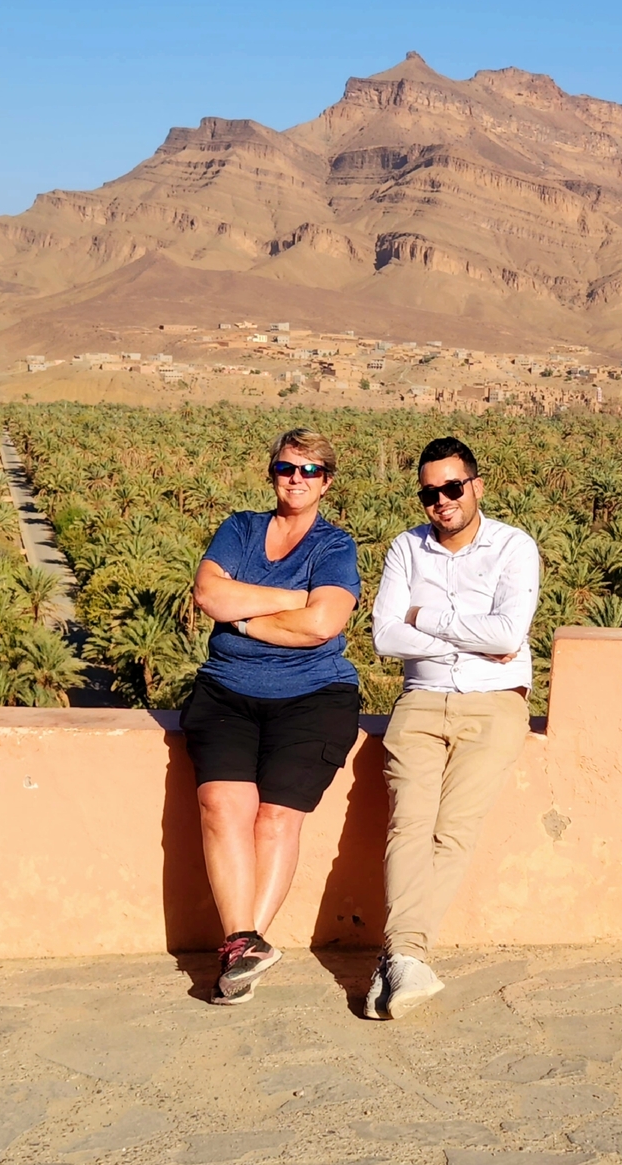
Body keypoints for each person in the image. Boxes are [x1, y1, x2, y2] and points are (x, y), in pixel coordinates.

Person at [180, 428, 361, 1005]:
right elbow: (209, 595)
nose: (296, 479)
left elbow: (321, 626)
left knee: (277, 817)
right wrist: (292, 598)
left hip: (314, 697)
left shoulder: (334, 546)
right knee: (221, 804)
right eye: (288, 467)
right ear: (272, 472)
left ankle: (239, 955)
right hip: (227, 691)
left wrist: (244, 612)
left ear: (326, 482)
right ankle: (245, 944)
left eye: (310, 471)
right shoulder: (240, 528)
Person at [365, 436, 540, 1020]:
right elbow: (385, 636)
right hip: (421, 700)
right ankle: (405, 960)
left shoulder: (514, 547)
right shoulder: (406, 550)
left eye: (452, 487)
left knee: (453, 832)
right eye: (430, 492)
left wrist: (426, 617)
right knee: (407, 827)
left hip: (494, 705)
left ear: (475, 485)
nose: (442, 501)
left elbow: (507, 636)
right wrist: (470, 630)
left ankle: (398, 957)